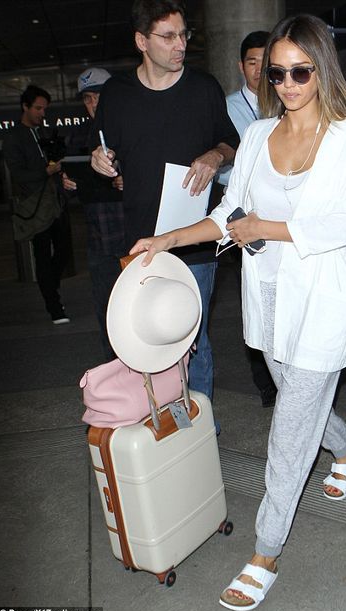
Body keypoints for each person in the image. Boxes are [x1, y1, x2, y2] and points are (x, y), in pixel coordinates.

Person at [130, 13, 346, 611]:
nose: (287, 82)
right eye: (277, 72)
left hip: (323, 301)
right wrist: (167, 240)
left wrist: (262, 227)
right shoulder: (260, 136)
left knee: (288, 431)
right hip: (267, 300)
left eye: (300, 71)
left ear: (322, 69)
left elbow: (340, 224)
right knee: (299, 397)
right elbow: (226, 214)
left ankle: (265, 551)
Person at [90, 0, 239, 400]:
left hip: (195, 240)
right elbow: (105, 150)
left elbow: (232, 142)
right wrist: (101, 161)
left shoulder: (203, 88)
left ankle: (201, 424)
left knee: (195, 339)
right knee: (150, 339)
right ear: (142, 40)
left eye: (184, 35)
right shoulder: (117, 94)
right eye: (169, 36)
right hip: (142, 242)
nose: (181, 45)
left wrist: (215, 155)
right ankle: (161, 425)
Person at [217, 30, 277, 408]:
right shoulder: (227, 108)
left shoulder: (289, 101)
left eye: (264, 62)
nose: (259, 70)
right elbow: (221, 165)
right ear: (242, 66)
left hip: (280, 218)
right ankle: (267, 384)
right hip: (242, 215)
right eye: (252, 62)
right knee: (255, 296)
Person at [62, 67, 124, 360]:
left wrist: (130, 180)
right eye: (87, 98)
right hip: (99, 239)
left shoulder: (129, 127)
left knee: (141, 311)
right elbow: (72, 182)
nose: (93, 104)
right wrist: (68, 183)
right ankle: (118, 379)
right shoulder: (77, 137)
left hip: (135, 235)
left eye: (99, 96)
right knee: (106, 311)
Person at [3, 85, 71, 324]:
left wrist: (59, 173)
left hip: (56, 202)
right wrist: (47, 170)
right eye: (38, 108)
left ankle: (50, 287)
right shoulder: (13, 137)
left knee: (63, 251)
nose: (42, 113)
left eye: (45, 109)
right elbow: (19, 175)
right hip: (35, 206)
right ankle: (54, 307)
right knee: (43, 256)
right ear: (25, 107)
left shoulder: (44, 133)